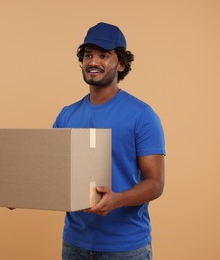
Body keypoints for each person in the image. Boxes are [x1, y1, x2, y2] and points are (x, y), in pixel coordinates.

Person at [53, 22, 165, 260]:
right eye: (88, 55)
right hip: (75, 244)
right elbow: (52, 172)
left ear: (121, 63)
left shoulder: (142, 115)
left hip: (126, 247)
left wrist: (118, 200)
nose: (93, 62)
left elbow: (155, 183)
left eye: (104, 55)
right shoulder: (66, 115)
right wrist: (21, 192)